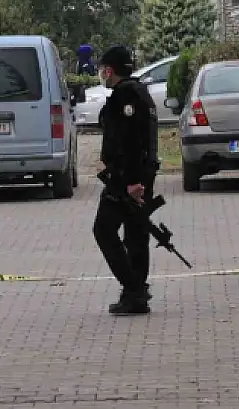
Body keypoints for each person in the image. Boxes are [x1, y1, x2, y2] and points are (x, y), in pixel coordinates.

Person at [93, 44, 159, 316]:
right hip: (139, 175)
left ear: (109, 70)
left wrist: (131, 181)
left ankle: (134, 288)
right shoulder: (139, 91)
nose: (101, 75)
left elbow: (131, 142)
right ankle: (136, 293)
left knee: (104, 230)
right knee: (135, 233)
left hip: (127, 178)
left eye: (102, 71)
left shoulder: (125, 96)